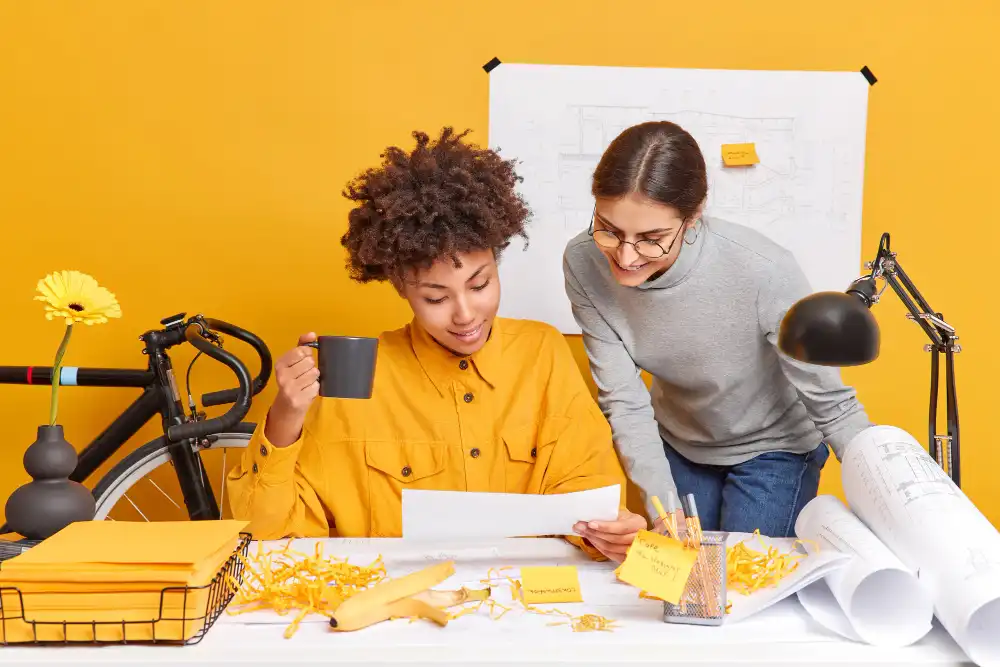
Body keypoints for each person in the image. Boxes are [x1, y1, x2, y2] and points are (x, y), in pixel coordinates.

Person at [227, 127, 645, 561]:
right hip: (398, 613)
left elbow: (588, 495)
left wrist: (609, 532)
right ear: (401, 288)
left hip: (525, 609)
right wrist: (285, 417)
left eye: (480, 284)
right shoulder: (353, 378)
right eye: (436, 297)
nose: (465, 314)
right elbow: (271, 543)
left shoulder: (542, 353)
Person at [562, 121, 872, 538]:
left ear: (694, 216)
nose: (626, 256)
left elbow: (833, 404)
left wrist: (887, 490)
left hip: (774, 446)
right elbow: (625, 402)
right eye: (609, 230)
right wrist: (663, 513)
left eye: (652, 237)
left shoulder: (764, 269)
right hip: (681, 442)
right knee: (686, 583)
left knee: (750, 584)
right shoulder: (584, 262)